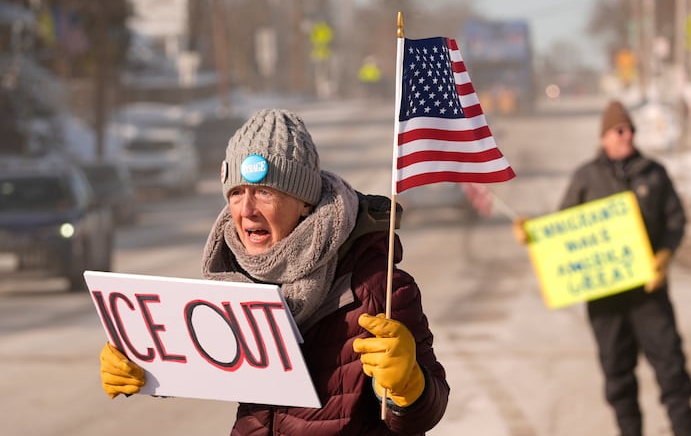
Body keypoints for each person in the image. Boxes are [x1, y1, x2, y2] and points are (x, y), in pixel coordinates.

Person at [99, 108, 450, 435]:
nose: (247, 209)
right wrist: (146, 365)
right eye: (236, 192)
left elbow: (427, 411)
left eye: (264, 191)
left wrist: (411, 388)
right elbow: (207, 362)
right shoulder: (234, 277)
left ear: (304, 203)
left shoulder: (376, 286)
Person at [512, 100, 691, 436]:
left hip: (649, 293)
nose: (627, 135)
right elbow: (564, 228)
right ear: (605, 136)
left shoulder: (654, 173)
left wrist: (665, 255)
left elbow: (676, 220)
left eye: (630, 130)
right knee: (618, 376)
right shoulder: (587, 177)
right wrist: (533, 233)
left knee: (672, 371)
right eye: (620, 130)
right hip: (605, 298)